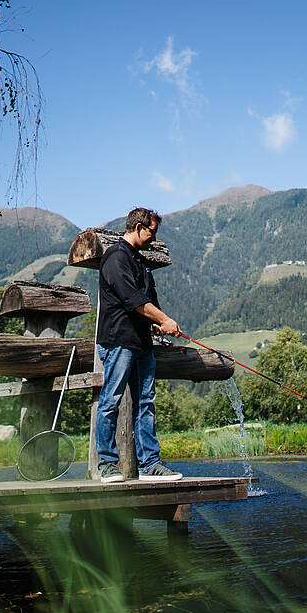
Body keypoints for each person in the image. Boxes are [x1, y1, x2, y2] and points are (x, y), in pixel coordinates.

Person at [95, 206, 183, 483]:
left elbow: (149, 301)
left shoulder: (140, 262)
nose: (153, 239)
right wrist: (165, 319)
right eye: (152, 232)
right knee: (111, 400)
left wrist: (159, 323)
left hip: (142, 342)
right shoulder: (115, 258)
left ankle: (151, 465)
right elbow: (132, 299)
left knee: (146, 402)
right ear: (138, 227)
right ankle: (108, 464)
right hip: (118, 341)